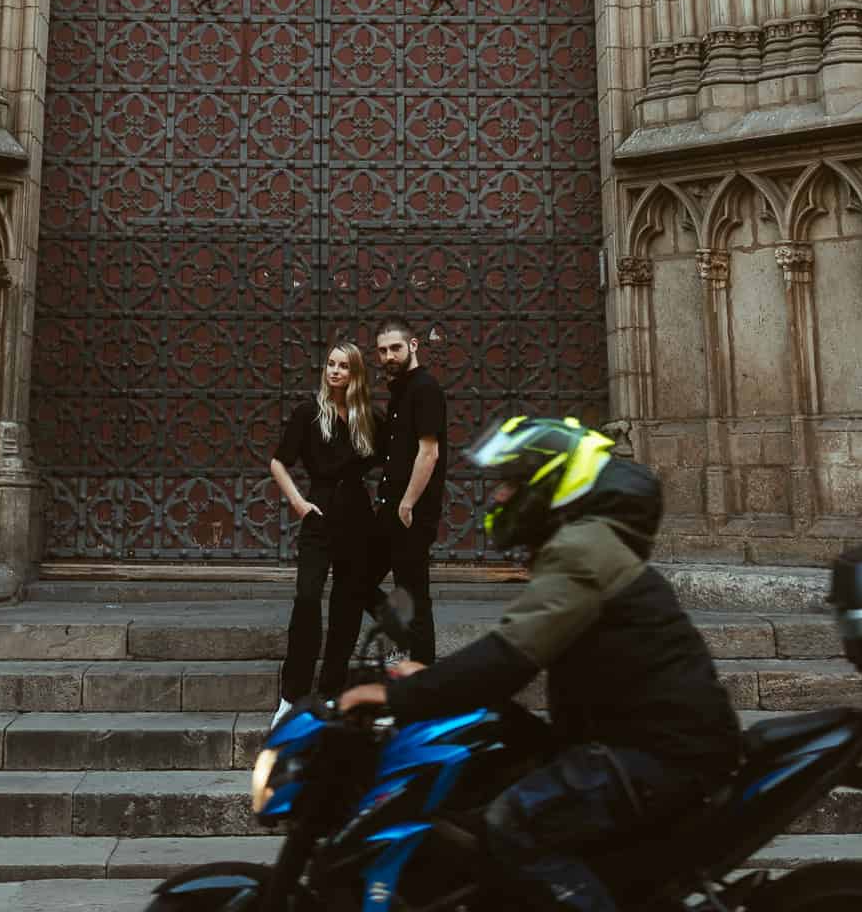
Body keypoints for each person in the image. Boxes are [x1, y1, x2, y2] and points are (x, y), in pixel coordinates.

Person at [340, 415, 741, 912]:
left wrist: (398, 696)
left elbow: (510, 658)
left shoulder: (582, 551)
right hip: (637, 743)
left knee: (513, 824)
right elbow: (517, 646)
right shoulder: (583, 547)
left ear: (549, 485)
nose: (498, 496)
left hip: (661, 755)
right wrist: (434, 680)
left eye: (512, 483)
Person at [270, 339, 379, 724]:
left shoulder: (369, 417)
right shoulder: (308, 413)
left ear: (355, 373)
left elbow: (395, 457)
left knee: (347, 606)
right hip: (318, 514)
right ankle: (292, 695)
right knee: (307, 598)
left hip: (358, 518)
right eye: (331, 364)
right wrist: (299, 503)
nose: (334, 371)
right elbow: (278, 463)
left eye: (343, 366)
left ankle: (332, 690)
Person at [362, 316, 447, 666]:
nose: (388, 356)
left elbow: (429, 452)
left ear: (413, 346)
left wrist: (408, 504)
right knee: (358, 580)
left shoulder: (425, 388)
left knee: (415, 595)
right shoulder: (400, 390)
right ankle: (402, 636)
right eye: (382, 351)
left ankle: (424, 674)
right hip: (391, 509)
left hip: (410, 513)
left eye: (395, 348)